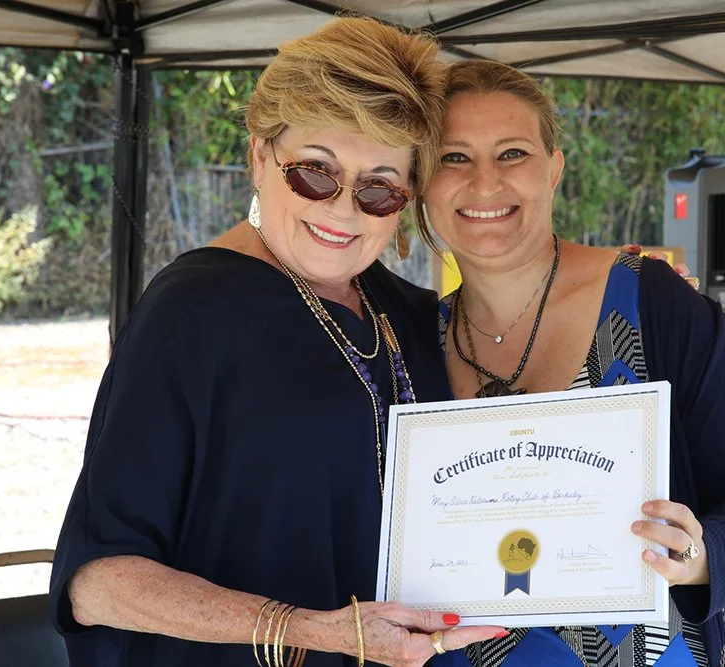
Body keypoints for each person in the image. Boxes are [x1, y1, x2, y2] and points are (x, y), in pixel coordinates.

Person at [48, 18, 508, 667]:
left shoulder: (408, 313)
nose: (343, 209)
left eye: (378, 187)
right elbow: (98, 584)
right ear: (260, 156)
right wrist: (313, 630)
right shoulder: (191, 312)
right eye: (315, 173)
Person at [420, 60, 725, 667]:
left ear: (554, 169)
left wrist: (698, 558)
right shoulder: (413, 341)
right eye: (453, 158)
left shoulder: (656, 304)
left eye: (512, 153)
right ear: (421, 179)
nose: (485, 183)